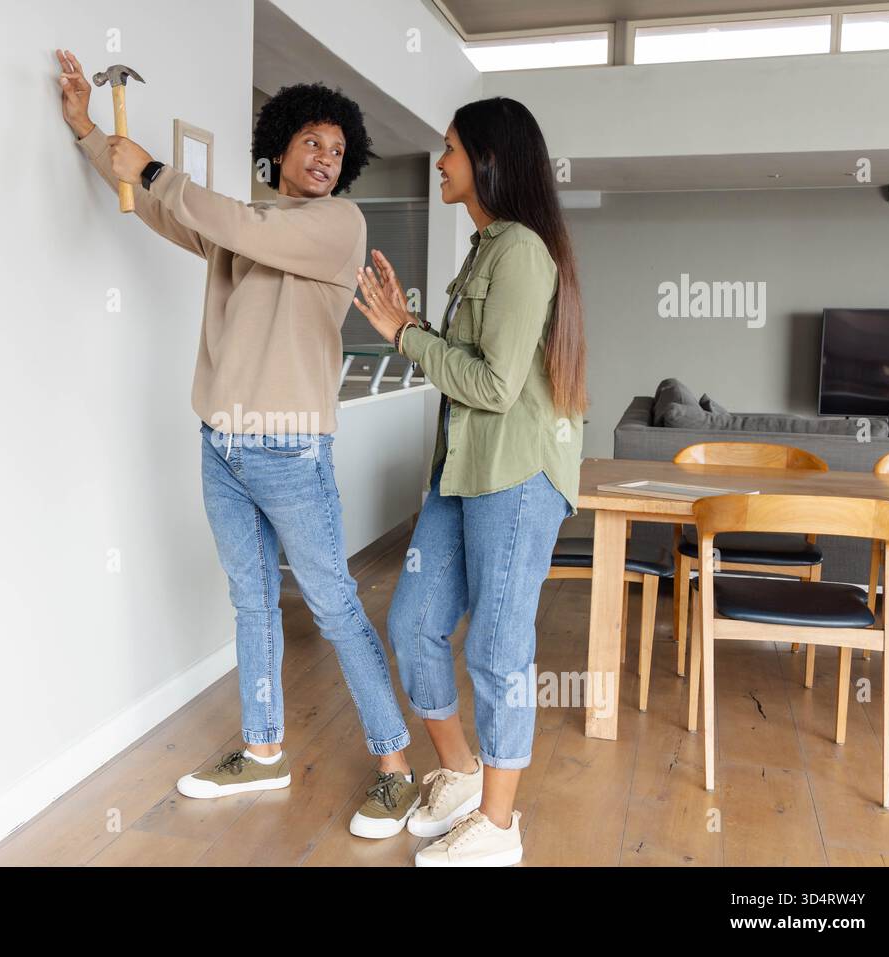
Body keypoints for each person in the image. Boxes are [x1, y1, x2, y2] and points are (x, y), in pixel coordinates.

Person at [55, 50, 420, 838]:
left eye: (336, 148)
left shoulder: (335, 226)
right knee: (251, 599)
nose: (325, 158)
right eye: (311, 142)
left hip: (289, 447)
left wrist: (152, 166)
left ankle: (395, 766)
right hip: (220, 442)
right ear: (281, 148)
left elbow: (216, 212)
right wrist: (90, 131)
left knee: (333, 604)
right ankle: (261, 751)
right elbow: (173, 214)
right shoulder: (250, 226)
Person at [351, 96, 587, 865]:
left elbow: (493, 385)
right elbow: (466, 365)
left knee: (495, 645)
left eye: (450, 148)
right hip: (461, 471)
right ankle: (459, 771)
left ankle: (499, 824)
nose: (441, 161)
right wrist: (414, 326)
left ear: (488, 159)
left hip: (516, 473)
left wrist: (406, 333)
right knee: (414, 621)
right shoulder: (484, 248)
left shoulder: (521, 249)